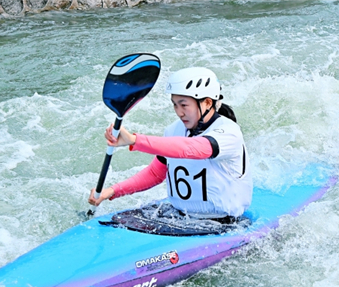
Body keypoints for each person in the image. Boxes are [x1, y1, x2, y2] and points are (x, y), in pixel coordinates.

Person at [88, 67, 252, 219]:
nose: (179, 112)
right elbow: (155, 174)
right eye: (175, 104)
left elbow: (193, 148)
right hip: (180, 216)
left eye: (184, 105)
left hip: (221, 222)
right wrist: (112, 191)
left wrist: (135, 140)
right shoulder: (174, 130)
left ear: (208, 103)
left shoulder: (229, 132)